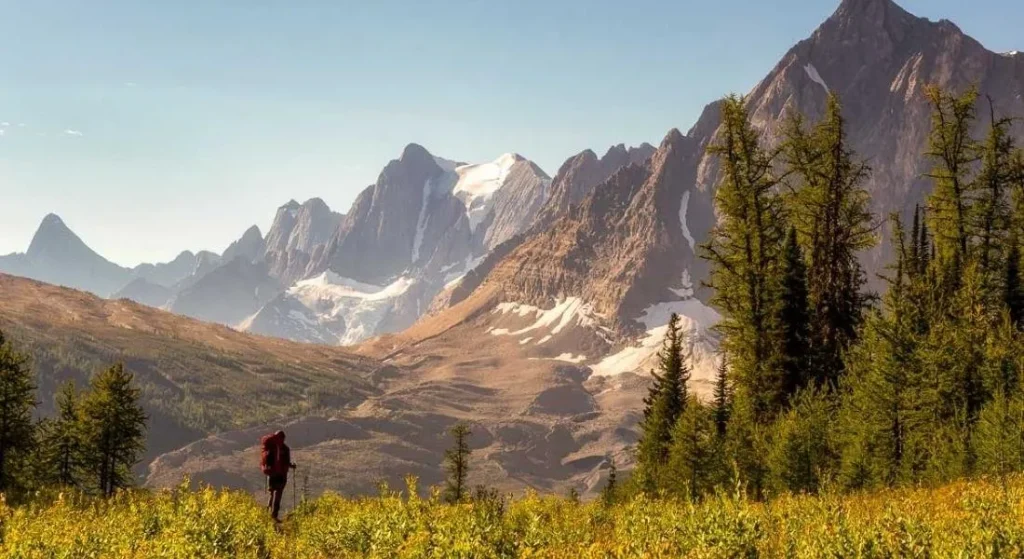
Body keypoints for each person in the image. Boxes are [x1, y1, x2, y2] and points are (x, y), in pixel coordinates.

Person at [261, 430, 295, 522]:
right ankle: (274, 515)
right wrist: (292, 466)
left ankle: (266, 513)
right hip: (281, 475)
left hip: (271, 473)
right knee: (278, 494)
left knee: (271, 493)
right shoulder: (285, 449)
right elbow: (287, 463)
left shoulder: (270, 447)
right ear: (283, 438)